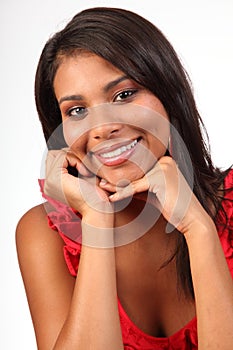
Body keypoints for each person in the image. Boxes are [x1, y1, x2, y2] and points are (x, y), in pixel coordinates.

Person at [16, 6, 233, 350]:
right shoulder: (44, 235)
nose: (102, 128)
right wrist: (97, 219)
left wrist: (198, 226)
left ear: (168, 93)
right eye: (77, 110)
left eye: (124, 95)